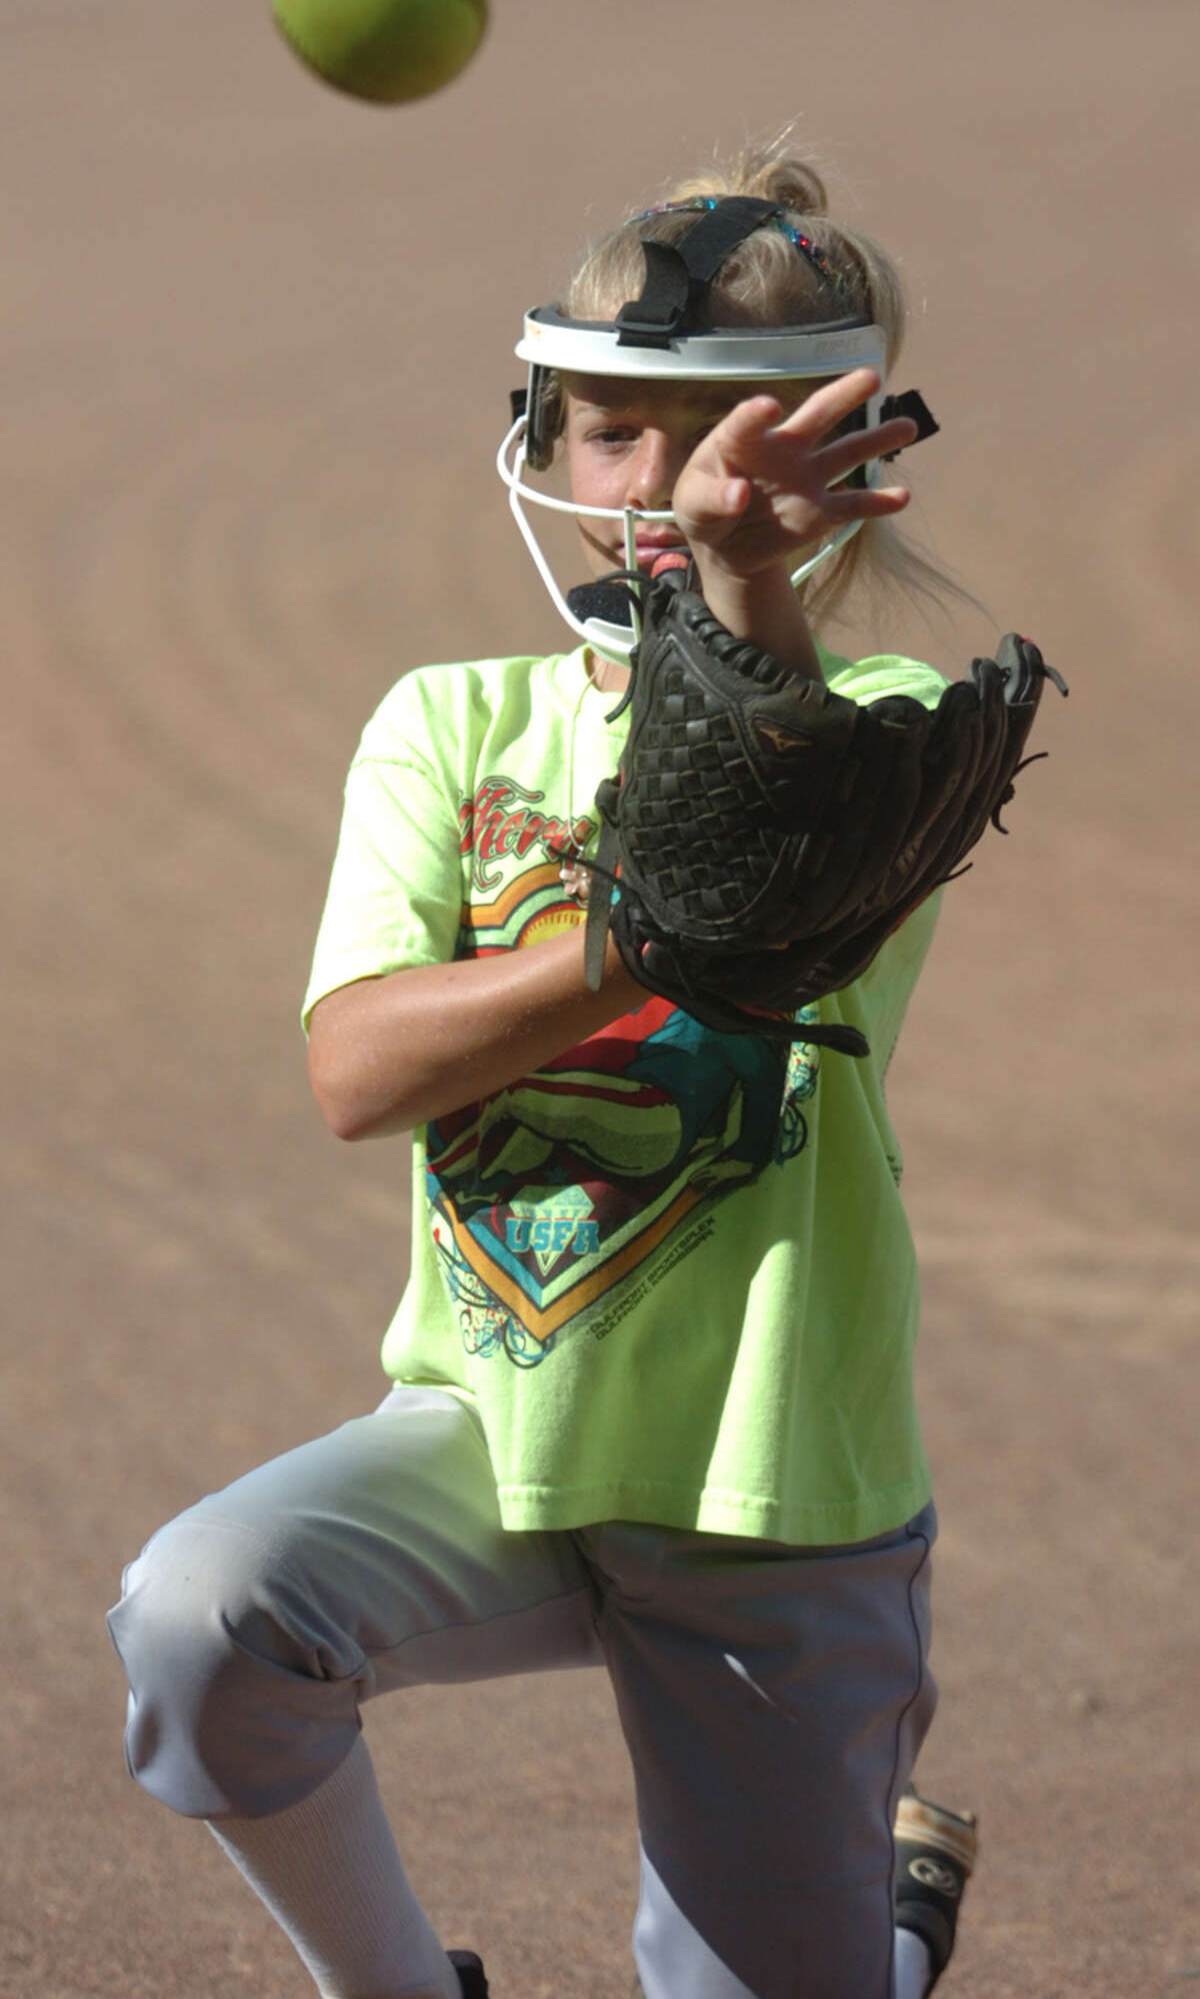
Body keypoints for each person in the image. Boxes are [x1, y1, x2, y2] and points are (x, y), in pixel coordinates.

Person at [109, 139, 983, 1999]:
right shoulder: (449, 720)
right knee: (202, 1622)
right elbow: (359, 1069)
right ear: (548, 439)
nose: (661, 485)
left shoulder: (899, 732)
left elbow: (770, 842)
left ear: (839, 453)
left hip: (770, 1491)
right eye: (612, 430)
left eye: (722, 433)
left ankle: (890, 1934)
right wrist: (628, 945)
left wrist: (749, 594)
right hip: (491, 1440)